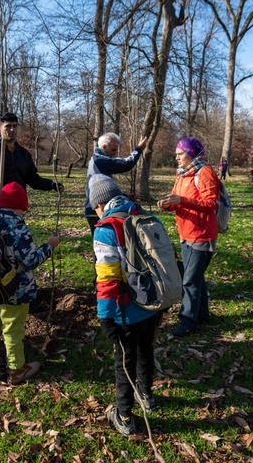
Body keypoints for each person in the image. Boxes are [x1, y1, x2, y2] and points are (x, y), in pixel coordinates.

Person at [89, 175, 163, 437]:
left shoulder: (106, 229)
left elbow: (108, 278)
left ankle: (124, 416)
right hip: (153, 303)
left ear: (100, 204)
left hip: (126, 311)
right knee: (146, 349)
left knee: (124, 361)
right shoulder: (144, 215)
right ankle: (147, 396)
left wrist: (105, 317)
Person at [0, 182, 60, 385]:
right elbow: (31, 261)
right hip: (15, 290)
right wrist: (49, 246)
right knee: (13, 329)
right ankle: (16, 369)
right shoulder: (18, 228)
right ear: (22, 206)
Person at [157, 137, 220, 337]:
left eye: (180, 154)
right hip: (186, 233)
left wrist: (182, 200)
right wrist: (169, 205)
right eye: (176, 154)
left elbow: (211, 204)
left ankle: (188, 320)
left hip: (202, 235)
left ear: (191, 153)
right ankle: (202, 315)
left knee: (189, 280)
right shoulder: (182, 174)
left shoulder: (205, 172)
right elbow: (178, 201)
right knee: (196, 276)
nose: (176, 157)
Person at [84, 132, 147, 234]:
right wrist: (139, 149)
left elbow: (105, 190)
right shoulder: (100, 161)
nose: (115, 153)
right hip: (96, 211)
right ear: (104, 147)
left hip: (100, 208)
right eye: (113, 150)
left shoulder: (98, 159)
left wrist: (125, 196)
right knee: (103, 244)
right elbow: (126, 164)